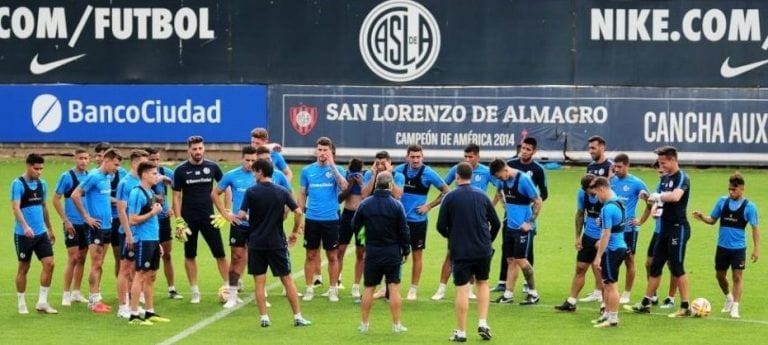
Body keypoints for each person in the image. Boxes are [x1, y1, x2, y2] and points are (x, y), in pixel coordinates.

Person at [238, 158, 311, 327]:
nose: (253, 174)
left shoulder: (251, 192)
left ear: (261, 172)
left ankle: (264, 318)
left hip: (256, 243)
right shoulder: (282, 191)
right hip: (276, 242)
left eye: (255, 171)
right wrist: (294, 231)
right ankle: (298, 317)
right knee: (287, 280)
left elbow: (242, 215)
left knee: (259, 281)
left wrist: (230, 216)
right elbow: (298, 211)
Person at [437, 162, 500, 341]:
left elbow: (440, 226)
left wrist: (452, 237)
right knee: (483, 283)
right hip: (482, 249)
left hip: (461, 250)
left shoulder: (450, 197)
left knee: (462, 289)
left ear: (457, 176)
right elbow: (495, 223)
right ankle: (482, 322)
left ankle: (461, 331)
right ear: (471, 176)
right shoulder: (482, 196)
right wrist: (488, 241)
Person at [627, 146, 693, 317]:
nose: (661, 166)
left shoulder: (682, 177)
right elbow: (660, 202)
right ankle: (646, 302)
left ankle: (685, 306)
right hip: (664, 229)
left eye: (663, 163)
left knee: (677, 266)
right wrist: (652, 201)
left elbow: (676, 197)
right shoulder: (665, 179)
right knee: (655, 266)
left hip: (678, 229)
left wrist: (658, 197)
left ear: (673, 160)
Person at [692, 173, 760, 319]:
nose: (731, 192)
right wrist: (702, 217)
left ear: (742, 189)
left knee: (737, 277)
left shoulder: (749, 207)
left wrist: (756, 249)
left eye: (734, 190)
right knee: (720, 276)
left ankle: (735, 306)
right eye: (729, 189)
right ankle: (728, 297)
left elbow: (755, 228)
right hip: (722, 247)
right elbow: (712, 220)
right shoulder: (722, 202)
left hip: (738, 249)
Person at [432, 144, 494, 301]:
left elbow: (501, 187)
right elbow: (444, 189)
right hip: (459, 219)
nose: (467, 159)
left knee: (475, 255)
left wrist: (492, 205)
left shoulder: (486, 172)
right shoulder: (457, 169)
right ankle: (441, 288)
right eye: (465, 156)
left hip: (478, 220)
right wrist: (431, 205)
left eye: (470, 156)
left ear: (478, 157)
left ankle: (470, 289)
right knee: (450, 254)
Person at [353, 172, 411, 333]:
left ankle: (364, 324)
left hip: (372, 250)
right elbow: (404, 230)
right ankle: (396, 324)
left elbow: (355, 224)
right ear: (390, 185)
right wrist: (406, 249)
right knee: (393, 288)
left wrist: (364, 238)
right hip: (392, 251)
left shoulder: (365, 204)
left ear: (376, 184)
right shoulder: (396, 205)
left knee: (369, 288)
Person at [172, 135, 227, 303]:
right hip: (189, 219)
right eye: (194, 149)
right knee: (190, 255)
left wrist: (224, 211)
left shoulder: (213, 167)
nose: (198, 151)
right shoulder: (180, 170)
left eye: (200, 148)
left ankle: (229, 289)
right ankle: (195, 291)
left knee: (220, 254)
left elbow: (226, 187)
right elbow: (176, 197)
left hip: (209, 217)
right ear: (189, 150)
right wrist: (178, 220)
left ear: (204, 149)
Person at [394, 144, 450, 300]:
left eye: (418, 157)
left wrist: (429, 206)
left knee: (417, 255)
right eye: (412, 156)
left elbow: (446, 191)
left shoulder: (428, 173)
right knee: (394, 253)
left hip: (417, 222)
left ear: (422, 157)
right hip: (399, 221)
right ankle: (390, 287)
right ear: (407, 157)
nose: (415, 159)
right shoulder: (398, 171)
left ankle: (413, 289)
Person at [493, 137, 548, 293]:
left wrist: (530, 216)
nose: (524, 151)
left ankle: (529, 286)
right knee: (508, 252)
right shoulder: (509, 165)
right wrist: (505, 207)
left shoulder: (536, 170)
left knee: (525, 253)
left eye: (528, 149)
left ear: (534, 151)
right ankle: (504, 285)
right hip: (510, 217)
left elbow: (542, 195)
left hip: (525, 217)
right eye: (522, 148)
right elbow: (499, 191)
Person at [72, 148, 123, 313]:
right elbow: (75, 194)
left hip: (107, 226)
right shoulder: (93, 176)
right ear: (106, 161)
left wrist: (119, 201)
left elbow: (103, 196)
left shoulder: (108, 177)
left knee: (100, 263)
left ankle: (97, 298)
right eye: (115, 164)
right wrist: (86, 217)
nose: (116, 168)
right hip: (96, 227)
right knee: (95, 263)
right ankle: (93, 302)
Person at [299, 137, 348, 302]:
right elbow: (302, 193)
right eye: (319, 150)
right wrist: (300, 216)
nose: (322, 153)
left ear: (331, 152)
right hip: (312, 218)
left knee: (332, 256)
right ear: (315, 151)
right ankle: (309, 289)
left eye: (325, 150)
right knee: (311, 254)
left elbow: (344, 186)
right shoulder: (307, 171)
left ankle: (333, 289)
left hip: (331, 219)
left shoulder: (338, 169)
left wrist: (332, 165)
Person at [212, 146, 260, 308]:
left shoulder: (261, 176)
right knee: (237, 258)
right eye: (247, 160)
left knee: (258, 259)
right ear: (242, 159)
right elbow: (214, 193)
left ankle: (261, 294)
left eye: (253, 160)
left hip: (257, 225)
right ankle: (232, 295)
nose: (250, 163)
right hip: (239, 225)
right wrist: (226, 214)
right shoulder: (232, 176)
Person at [489, 159, 542, 305]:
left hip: (522, 229)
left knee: (521, 259)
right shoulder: (502, 180)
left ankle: (533, 293)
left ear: (505, 169)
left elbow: (538, 201)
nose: (499, 180)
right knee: (510, 260)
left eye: (499, 176)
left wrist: (529, 222)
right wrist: (504, 206)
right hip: (510, 227)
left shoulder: (524, 180)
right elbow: (498, 192)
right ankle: (508, 294)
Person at [126, 162, 171, 325]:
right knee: (140, 275)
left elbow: (152, 222)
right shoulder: (136, 193)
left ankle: (149, 312)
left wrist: (158, 242)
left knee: (151, 276)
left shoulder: (150, 192)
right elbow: (132, 219)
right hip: (143, 240)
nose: (156, 176)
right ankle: (134, 314)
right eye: (153, 173)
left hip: (152, 240)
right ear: (144, 174)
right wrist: (153, 212)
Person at [12, 153, 57, 314]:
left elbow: (44, 206)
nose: (39, 172)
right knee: (24, 267)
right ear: (28, 166)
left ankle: (42, 302)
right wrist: (25, 227)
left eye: (41, 169)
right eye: (36, 168)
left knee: (50, 264)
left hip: (41, 234)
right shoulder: (18, 184)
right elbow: (16, 208)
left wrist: (50, 229)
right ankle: (21, 302)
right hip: (23, 235)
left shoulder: (42, 184)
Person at [554, 174, 602, 312]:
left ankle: (605, 305)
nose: (594, 191)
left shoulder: (607, 197)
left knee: (603, 270)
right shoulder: (582, 195)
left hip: (603, 238)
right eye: (590, 188)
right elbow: (580, 213)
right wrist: (577, 236)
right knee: (580, 267)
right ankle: (571, 301)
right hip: (588, 236)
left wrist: (604, 238)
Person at [361, 150, 405, 299]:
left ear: (390, 163)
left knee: (392, 254)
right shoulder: (369, 174)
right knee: (366, 253)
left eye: (383, 163)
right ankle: (371, 287)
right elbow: (364, 194)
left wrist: (388, 176)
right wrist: (375, 176)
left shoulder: (398, 176)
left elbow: (397, 194)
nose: (380, 166)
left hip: (391, 219)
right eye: (377, 163)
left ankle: (388, 290)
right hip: (371, 220)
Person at [609, 154, 650, 304]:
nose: (617, 169)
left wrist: (641, 221)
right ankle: (610, 290)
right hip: (612, 229)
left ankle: (626, 293)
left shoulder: (637, 183)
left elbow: (650, 202)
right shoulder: (611, 181)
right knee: (611, 259)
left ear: (627, 166)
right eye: (615, 166)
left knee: (629, 260)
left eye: (620, 167)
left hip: (628, 229)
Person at [52, 148, 90, 306]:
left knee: (82, 258)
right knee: (73, 258)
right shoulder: (67, 177)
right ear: (75, 159)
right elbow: (55, 199)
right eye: (80, 158)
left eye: (86, 158)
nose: (83, 161)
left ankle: (76, 292)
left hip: (87, 224)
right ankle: (66, 294)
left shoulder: (90, 177)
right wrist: (65, 220)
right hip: (72, 224)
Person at [115, 150, 149, 318]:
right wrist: (128, 233)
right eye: (143, 163)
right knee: (125, 269)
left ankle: (131, 303)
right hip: (129, 233)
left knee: (136, 269)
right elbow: (121, 210)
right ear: (135, 163)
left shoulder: (142, 181)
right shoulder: (125, 183)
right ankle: (122, 307)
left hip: (141, 232)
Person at [579, 135, 613, 303]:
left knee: (601, 260)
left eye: (593, 148)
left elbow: (609, 190)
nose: (591, 151)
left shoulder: (610, 166)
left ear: (602, 147)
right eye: (589, 148)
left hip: (606, 219)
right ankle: (597, 290)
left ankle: (605, 291)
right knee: (592, 259)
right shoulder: (590, 166)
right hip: (592, 220)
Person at [146, 147, 183, 300]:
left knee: (167, 255)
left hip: (163, 219)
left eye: (157, 159)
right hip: (147, 220)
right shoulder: (142, 176)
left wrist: (172, 209)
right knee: (147, 256)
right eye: (152, 159)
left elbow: (177, 191)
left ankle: (172, 289)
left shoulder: (166, 172)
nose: (155, 162)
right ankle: (143, 290)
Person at [590, 177, 627, 328]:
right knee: (606, 283)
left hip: (612, 249)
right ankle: (607, 314)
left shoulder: (607, 208)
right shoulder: (619, 202)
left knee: (611, 285)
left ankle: (613, 318)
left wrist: (598, 256)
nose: (597, 198)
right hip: (619, 246)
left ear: (602, 189)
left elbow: (606, 234)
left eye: (596, 194)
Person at [641, 161, 677, 308]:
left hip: (672, 231)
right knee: (649, 263)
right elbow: (655, 206)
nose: (660, 175)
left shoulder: (675, 187)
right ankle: (653, 295)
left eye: (662, 172)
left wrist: (655, 205)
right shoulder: (659, 186)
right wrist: (647, 200)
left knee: (673, 265)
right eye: (658, 173)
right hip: (658, 231)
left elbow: (668, 204)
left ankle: (671, 298)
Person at [337, 158, 365, 300]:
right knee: (340, 250)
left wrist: (361, 183)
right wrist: (350, 184)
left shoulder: (365, 177)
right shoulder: (346, 178)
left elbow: (366, 195)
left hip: (362, 218)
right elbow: (340, 198)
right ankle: (335, 282)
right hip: (347, 216)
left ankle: (356, 286)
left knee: (361, 252)